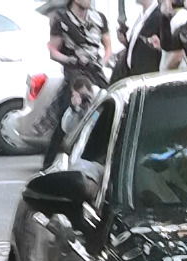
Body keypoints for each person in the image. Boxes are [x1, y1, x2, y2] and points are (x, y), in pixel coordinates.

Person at [44, 0, 111, 167]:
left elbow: (107, 46)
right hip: (74, 76)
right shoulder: (62, 19)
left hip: (96, 75)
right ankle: (50, 165)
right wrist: (71, 59)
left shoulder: (99, 18)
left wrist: (102, 61)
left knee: (107, 114)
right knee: (65, 120)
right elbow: (53, 50)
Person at [118, 0, 165, 79]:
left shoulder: (159, 16)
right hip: (134, 74)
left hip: (149, 77)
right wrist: (126, 43)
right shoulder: (142, 16)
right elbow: (140, 47)